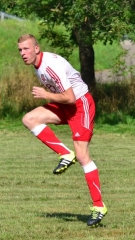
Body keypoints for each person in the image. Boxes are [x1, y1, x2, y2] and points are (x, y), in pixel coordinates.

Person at [17, 34, 107, 227]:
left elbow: (71, 97)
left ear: (36, 49)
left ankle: (99, 207)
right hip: (66, 105)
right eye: (20, 50)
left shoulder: (50, 66)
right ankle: (65, 153)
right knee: (29, 119)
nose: (23, 54)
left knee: (83, 156)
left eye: (26, 49)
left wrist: (45, 95)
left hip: (80, 105)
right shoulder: (38, 65)